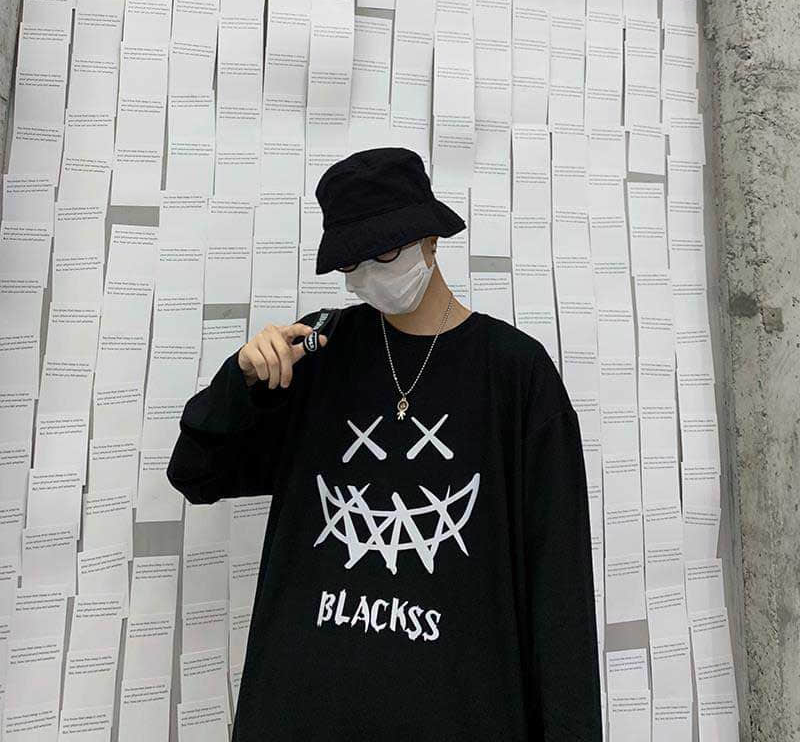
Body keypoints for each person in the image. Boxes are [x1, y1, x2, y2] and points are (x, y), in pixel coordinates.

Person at [166, 146, 603, 741]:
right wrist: (240, 382)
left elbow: (561, 595)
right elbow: (196, 474)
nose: (370, 272)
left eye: (387, 251)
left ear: (431, 238)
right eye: (353, 261)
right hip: (302, 715)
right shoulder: (318, 352)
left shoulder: (515, 376)